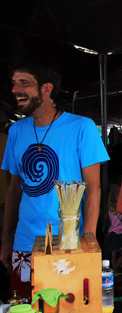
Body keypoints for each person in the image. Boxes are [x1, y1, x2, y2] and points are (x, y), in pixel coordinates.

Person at [1, 61, 109, 300]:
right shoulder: (16, 131)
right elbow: (13, 190)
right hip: (24, 242)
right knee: (25, 312)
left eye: (24, 83)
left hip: (68, 243)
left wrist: (88, 242)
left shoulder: (82, 127)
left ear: (46, 89)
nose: (14, 89)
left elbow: (93, 190)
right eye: (13, 83)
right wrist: (6, 240)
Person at [107, 187, 122, 271]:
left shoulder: (111, 210)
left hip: (111, 234)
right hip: (120, 235)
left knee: (113, 255)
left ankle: (113, 271)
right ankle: (115, 269)